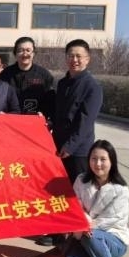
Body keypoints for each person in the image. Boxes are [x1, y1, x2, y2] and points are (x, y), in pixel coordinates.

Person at [63, 140, 129, 257]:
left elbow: (110, 219)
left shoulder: (120, 189)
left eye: (103, 159)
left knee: (93, 236)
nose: (98, 164)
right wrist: (83, 225)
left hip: (113, 239)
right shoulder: (81, 180)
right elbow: (75, 206)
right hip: (84, 235)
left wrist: (87, 226)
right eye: (93, 158)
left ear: (112, 161)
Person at [53, 39, 103, 184]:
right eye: (70, 56)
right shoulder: (62, 83)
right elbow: (59, 113)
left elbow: (86, 121)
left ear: (87, 59)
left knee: (79, 190)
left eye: (79, 56)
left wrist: (70, 146)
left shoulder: (92, 86)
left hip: (78, 151)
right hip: (58, 146)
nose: (74, 60)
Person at [0, 36, 55, 120]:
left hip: (34, 121)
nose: (25, 54)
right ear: (15, 54)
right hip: (10, 120)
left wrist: (45, 114)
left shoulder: (44, 75)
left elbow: (50, 101)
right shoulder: (5, 74)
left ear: (33, 53)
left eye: (28, 50)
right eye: (20, 50)